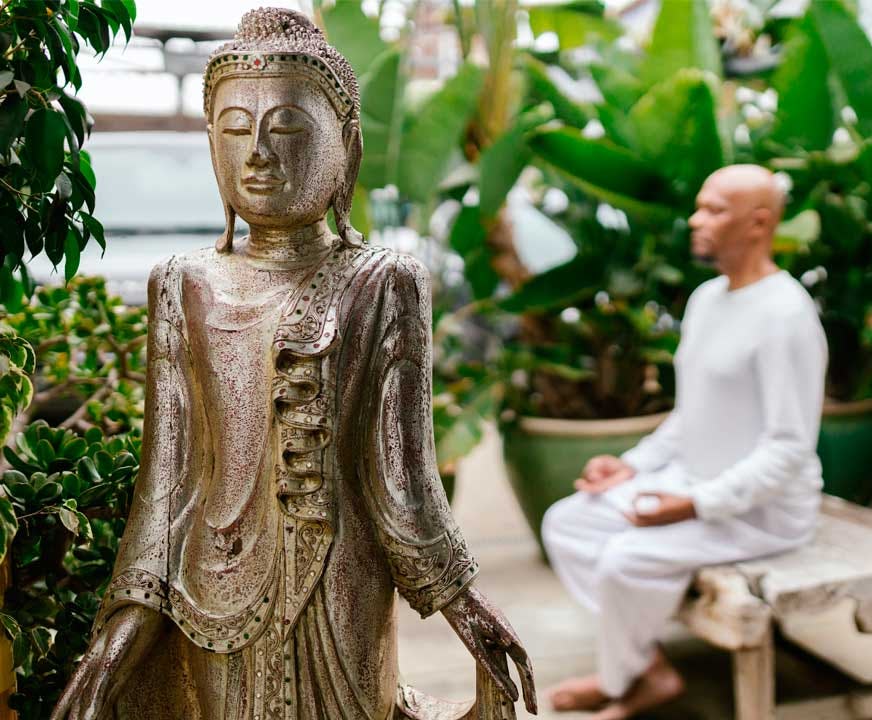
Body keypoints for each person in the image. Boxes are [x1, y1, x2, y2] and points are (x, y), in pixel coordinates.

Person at [52, 9, 534, 720]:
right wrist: (123, 626)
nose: (257, 154)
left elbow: (400, 477)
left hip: (342, 587)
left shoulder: (384, 281)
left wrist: (463, 601)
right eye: (235, 130)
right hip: (210, 588)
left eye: (286, 131)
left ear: (346, 149)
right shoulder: (183, 283)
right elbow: (168, 479)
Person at [541, 164, 828, 720]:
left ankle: (619, 678)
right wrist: (631, 467)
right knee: (569, 523)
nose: (696, 219)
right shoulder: (706, 300)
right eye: (700, 205)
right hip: (691, 485)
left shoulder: (786, 314)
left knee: (625, 559)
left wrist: (694, 505)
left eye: (715, 209)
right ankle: (644, 669)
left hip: (761, 512)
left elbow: (790, 448)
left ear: (759, 223)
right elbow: (690, 415)